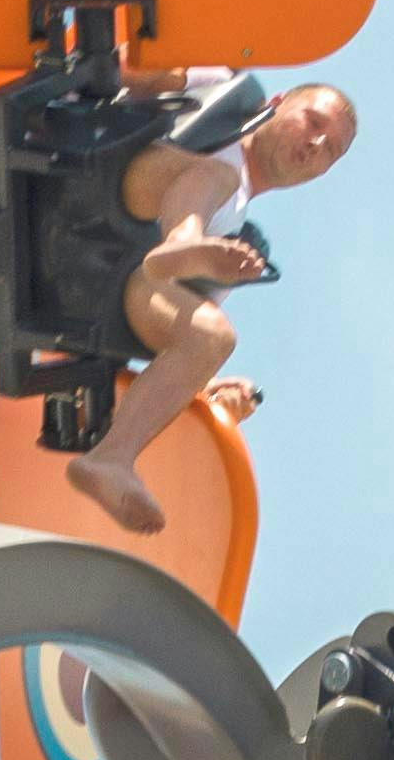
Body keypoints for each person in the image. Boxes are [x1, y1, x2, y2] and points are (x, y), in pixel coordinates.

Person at [64, 80, 360, 538]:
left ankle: (111, 458)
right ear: (275, 104)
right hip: (94, 189)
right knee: (215, 177)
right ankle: (182, 239)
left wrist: (203, 389)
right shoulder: (222, 98)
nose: (317, 144)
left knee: (213, 337)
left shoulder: (234, 237)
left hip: (107, 278)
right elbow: (152, 69)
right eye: (313, 122)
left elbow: (173, 333)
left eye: (331, 150)